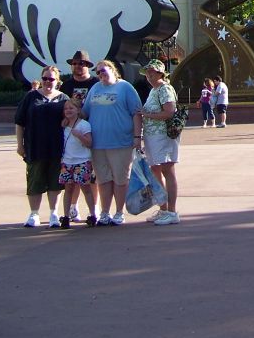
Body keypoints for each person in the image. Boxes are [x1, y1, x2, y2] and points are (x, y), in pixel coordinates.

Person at [81, 59, 142, 225]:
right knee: (103, 180)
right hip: (98, 144)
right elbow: (84, 112)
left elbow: (136, 113)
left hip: (121, 143)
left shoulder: (125, 87)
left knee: (120, 179)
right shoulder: (95, 88)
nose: (100, 74)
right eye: (97, 72)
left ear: (112, 69)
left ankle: (119, 212)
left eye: (103, 70)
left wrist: (137, 137)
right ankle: (105, 212)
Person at [14, 64, 68, 228]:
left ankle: (53, 214)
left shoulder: (63, 98)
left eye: (51, 79)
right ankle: (34, 214)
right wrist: (20, 145)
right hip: (35, 147)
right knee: (35, 181)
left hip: (57, 148)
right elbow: (19, 122)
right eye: (44, 78)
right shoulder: (31, 97)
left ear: (57, 80)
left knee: (55, 182)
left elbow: (71, 118)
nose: (47, 82)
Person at [139, 59, 181, 225]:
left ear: (160, 73)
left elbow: (169, 112)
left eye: (153, 72)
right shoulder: (153, 90)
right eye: (147, 72)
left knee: (167, 171)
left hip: (164, 136)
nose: (149, 75)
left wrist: (146, 115)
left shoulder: (165, 89)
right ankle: (163, 208)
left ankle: (172, 211)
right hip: (152, 137)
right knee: (155, 170)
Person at [59, 98, 97, 227]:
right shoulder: (64, 125)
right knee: (68, 189)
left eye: (71, 108)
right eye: (66, 109)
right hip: (67, 161)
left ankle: (92, 215)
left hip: (82, 161)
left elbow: (89, 143)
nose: (68, 111)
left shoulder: (84, 125)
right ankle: (65, 216)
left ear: (78, 110)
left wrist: (79, 135)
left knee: (86, 188)